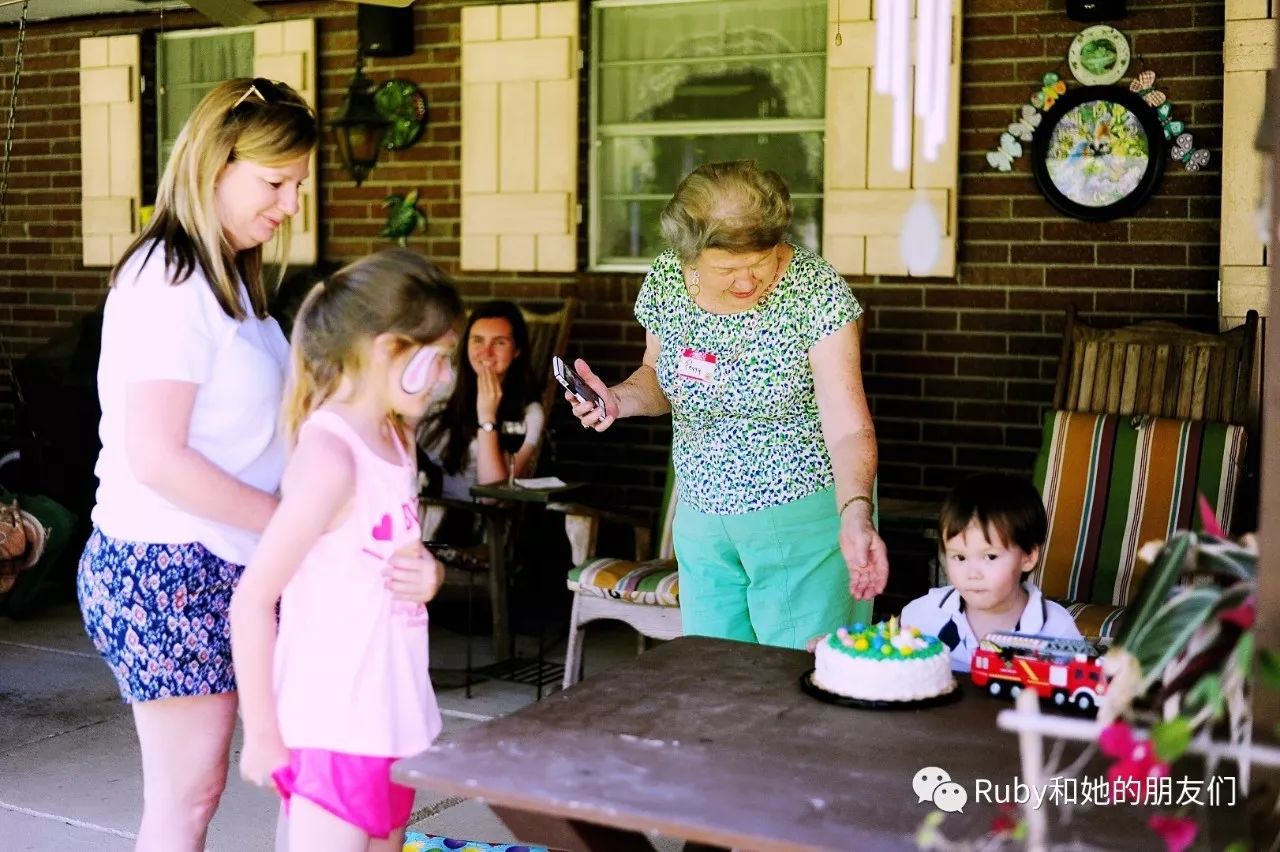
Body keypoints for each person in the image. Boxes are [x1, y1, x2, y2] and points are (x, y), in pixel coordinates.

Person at [73, 79, 432, 852]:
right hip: (169, 564)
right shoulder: (166, 280)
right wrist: (297, 529)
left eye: (298, 183)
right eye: (275, 182)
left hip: (234, 558)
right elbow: (158, 458)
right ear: (213, 165)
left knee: (301, 779)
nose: (291, 202)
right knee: (188, 797)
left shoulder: (230, 275)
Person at [566, 159, 888, 649]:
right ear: (689, 258)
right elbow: (658, 377)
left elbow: (847, 425)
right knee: (714, 677)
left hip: (800, 519)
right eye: (726, 269)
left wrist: (857, 510)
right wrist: (617, 400)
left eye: (761, 263)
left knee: (797, 680)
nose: (746, 283)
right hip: (702, 520)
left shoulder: (815, 291)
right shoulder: (668, 281)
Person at [229, 248, 462, 851]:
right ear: (387, 349)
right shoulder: (330, 456)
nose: (443, 377)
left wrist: (427, 573)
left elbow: (385, 549)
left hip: (391, 712)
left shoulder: (395, 435)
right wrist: (262, 734)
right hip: (333, 724)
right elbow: (253, 599)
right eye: (436, 358)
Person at [900, 472, 1082, 672]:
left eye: (990, 557)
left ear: (1028, 556)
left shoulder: (1055, 628)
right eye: (959, 557)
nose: (972, 574)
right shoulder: (921, 617)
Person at [417, 300, 545, 503]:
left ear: (517, 350)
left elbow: (492, 496)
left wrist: (487, 417)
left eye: (499, 342)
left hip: (473, 521)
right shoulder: (443, 385)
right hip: (419, 509)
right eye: (477, 340)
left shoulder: (529, 414)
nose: (486, 353)